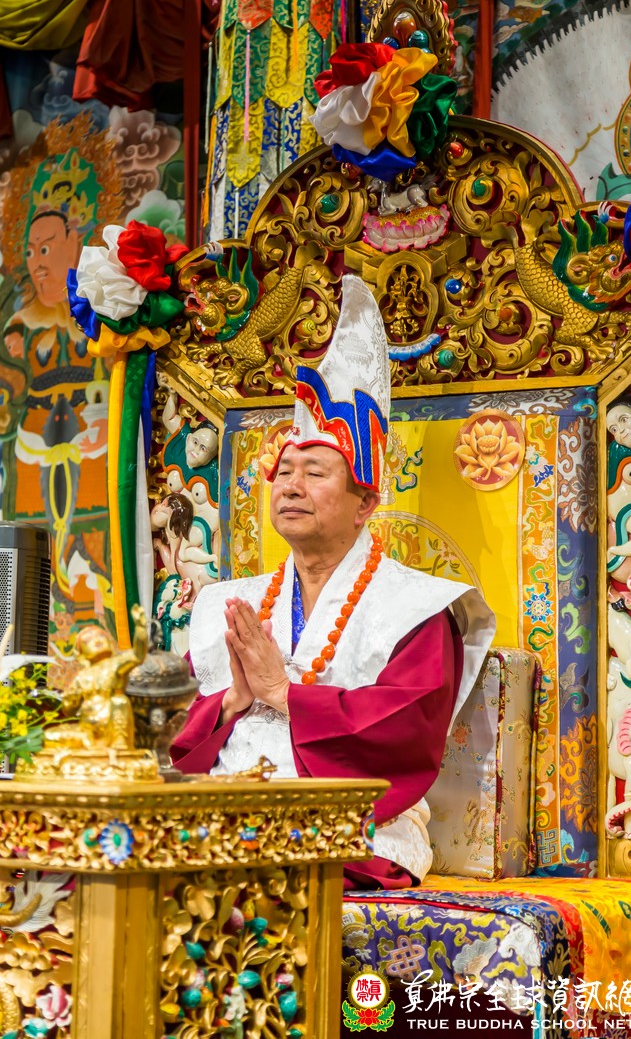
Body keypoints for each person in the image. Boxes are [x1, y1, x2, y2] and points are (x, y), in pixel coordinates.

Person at [172, 275, 495, 888]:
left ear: (365, 502)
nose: (290, 486)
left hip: (353, 832)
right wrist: (232, 701)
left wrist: (283, 693)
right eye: (284, 472)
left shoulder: (417, 607)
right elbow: (174, 733)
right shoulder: (226, 603)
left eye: (315, 472)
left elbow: (405, 736)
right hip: (220, 819)